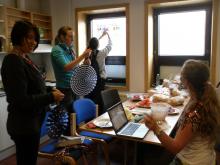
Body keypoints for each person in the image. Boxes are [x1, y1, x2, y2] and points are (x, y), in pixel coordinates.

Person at [1, 20, 64, 165]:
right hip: (23, 125)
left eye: (35, 38)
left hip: (32, 122)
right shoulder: (13, 62)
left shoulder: (24, 57)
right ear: (18, 37)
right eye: (28, 37)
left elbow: (35, 86)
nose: (33, 42)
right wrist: (50, 96)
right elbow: (21, 100)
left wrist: (50, 90)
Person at [144, 60, 220, 165]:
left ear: (187, 81)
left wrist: (155, 128)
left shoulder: (195, 112)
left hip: (191, 162)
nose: (180, 78)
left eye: (181, 75)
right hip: (207, 157)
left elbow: (175, 147)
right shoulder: (204, 99)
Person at [51, 26, 91, 113]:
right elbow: (66, 67)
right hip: (64, 89)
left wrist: (85, 63)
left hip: (74, 87)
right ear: (62, 37)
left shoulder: (70, 50)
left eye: (73, 37)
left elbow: (74, 68)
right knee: (67, 119)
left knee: (76, 115)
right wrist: (82, 56)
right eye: (70, 36)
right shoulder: (57, 50)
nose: (72, 39)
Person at [84, 30, 112, 114]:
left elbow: (92, 44)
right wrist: (107, 35)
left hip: (89, 82)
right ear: (98, 45)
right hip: (99, 82)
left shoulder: (86, 53)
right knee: (99, 103)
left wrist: (100, 36)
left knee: (89, 102)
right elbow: (110, 45)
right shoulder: (102, 53)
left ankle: (88, 120)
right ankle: (98, 120)